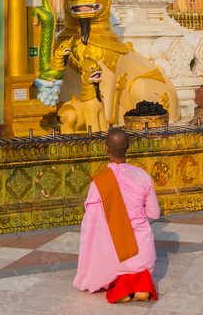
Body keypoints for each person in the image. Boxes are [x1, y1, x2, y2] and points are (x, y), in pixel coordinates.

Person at [74, 128, 160, 303]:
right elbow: (155, 213)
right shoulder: (144, 176)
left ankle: (123, 288)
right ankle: (140, 288)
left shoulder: (100, 181)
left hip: (115, 253)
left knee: (115, 266)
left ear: (106, 148)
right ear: (128, 147)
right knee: (139, 271)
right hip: (143, 251)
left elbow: (91, 224)